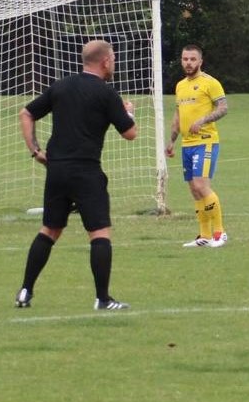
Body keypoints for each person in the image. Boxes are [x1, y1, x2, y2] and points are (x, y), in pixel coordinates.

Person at [15, 39, 138, 310]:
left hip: (56, 170)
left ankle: (25, 291)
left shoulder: (61, 86)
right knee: (99, 233)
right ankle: (103, 299)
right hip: (86, 170)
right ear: (105, 61)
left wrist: (36, 150)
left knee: (49, 229)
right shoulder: (107, 94)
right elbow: (130, 133)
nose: (114, 63)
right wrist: (129, 113)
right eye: (113, 58)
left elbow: (26, 113)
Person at [166, 44, 229, 248]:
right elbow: (178, 115)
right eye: (185, 59)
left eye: (193, 59)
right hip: (187, 144)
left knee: (202, 185)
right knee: (194, 189)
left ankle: (220, 233)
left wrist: (202, 121)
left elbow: (223, 108)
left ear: (200, 61)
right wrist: (172, 141)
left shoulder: (210, 83)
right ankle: (204, 235)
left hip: (206, 142)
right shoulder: (180, 85)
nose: (188, 63)